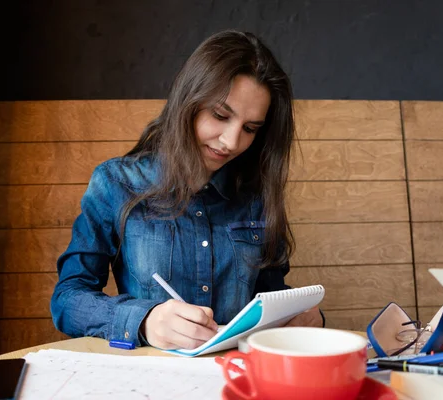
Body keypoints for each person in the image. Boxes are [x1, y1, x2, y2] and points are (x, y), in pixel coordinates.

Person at [51, 30, 324, 351]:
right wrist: (145, 320)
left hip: (237, 375)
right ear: (188, 102)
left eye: (250, 129)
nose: (231, 141)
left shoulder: (255, 196)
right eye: (220, 115)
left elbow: (269, 299)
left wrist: (302, 317)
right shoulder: (117, 182)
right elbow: (69, 298)